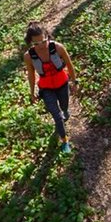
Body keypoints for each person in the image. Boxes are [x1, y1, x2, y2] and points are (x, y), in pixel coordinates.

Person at [23, 22, 78, 153]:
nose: (41, 46)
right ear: (30, 42)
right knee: (57, 116)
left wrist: (75, 82)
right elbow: (31, 75)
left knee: (64, 106)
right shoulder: (28, 56)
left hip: (62, 83)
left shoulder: (58, 48)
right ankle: (65, 141)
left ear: (47, 36)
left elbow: (69, 65)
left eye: (43, 41)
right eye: (36, 44)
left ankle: (65, 111)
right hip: (46, 88)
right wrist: (32, 92)